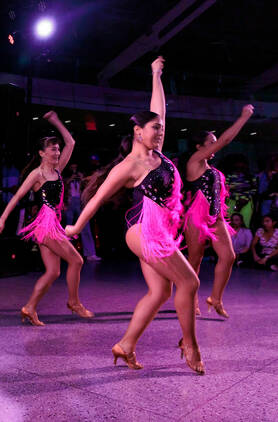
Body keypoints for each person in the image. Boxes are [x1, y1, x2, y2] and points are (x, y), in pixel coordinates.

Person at [67, 57, 204, 374]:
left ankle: (126, 345)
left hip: (160, 231)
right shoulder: (129, 165)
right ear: (138, 131)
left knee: (160, 291)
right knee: (190, 282)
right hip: (143, 231)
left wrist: (156, 74)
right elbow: (98, 197)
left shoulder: (158, 153)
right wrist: (76, 226)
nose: (160, 131)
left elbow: (161, 111)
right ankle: (190, 345)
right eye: (154, 128)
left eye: (160, 128)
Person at [0, 111, 93, 326]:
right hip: (45, 225)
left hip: (53, 224)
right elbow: (18, 196)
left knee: (53, 271)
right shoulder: (37, 174)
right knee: (76, 260)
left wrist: (55, 120)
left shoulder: (58, 170)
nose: (57, 152)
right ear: (41, 153)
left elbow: (71, 141)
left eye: (57, 149)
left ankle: (29, 307)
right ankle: (74, 302)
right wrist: (2, 219)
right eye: (52, 149)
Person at [181, 105, 253, 318]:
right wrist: (243, 117)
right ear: (198, 147)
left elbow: (218, 198)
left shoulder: (213, 170)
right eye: (210, 143)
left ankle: (216, 298)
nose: (215, 145)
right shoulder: (194, 162)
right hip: (195, 217)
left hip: (216, 217)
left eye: (214, 142)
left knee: (229, 256)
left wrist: (221, 217)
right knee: (195, 260)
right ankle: (190, 300)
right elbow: (225, 141)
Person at [64, 163, 101, 261]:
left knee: (85, 226)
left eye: (75, 167)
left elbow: (88, 187)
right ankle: (66, 254)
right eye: (72, 167)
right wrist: (69, 180)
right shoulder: (64, 176)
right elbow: (62, 187)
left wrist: (82, 179)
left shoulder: (81, 175)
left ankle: (90, 254)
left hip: (80, 202)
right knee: (67, 228)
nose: (74, 168)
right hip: (69, 202)